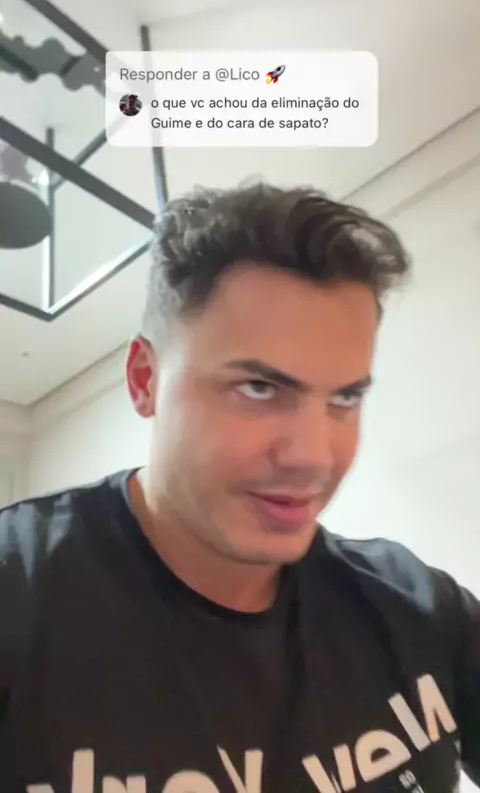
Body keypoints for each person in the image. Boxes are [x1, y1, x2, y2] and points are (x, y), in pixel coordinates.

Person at [0, 183, 478, 792]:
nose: (313, 457)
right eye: (258, 388)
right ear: (145, 380)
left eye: (344, 398)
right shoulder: (18, 594)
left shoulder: (418, 608)